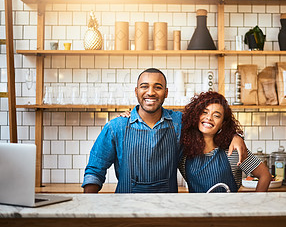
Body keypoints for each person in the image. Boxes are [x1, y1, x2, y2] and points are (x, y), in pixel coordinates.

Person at [82, 68, 247, 193]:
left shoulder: (179, 122)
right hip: (126, 208)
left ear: (166, 93)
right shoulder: (116, 127)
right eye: (144, 86)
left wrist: (235, 135)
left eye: (158, 87)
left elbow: (208, 125)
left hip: (168, 210)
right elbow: (95, 170)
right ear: (136, 91)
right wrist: (90, 211)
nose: (150, 92)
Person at [179, 91, 272, 193]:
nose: (209, 118)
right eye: (205, 112)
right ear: (196, 115)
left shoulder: (233, 151)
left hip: (229, 208)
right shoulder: (184, 153)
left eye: (216, 116)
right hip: (197, 208)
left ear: (223, 124)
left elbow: (265, 175)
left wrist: (257, 205)